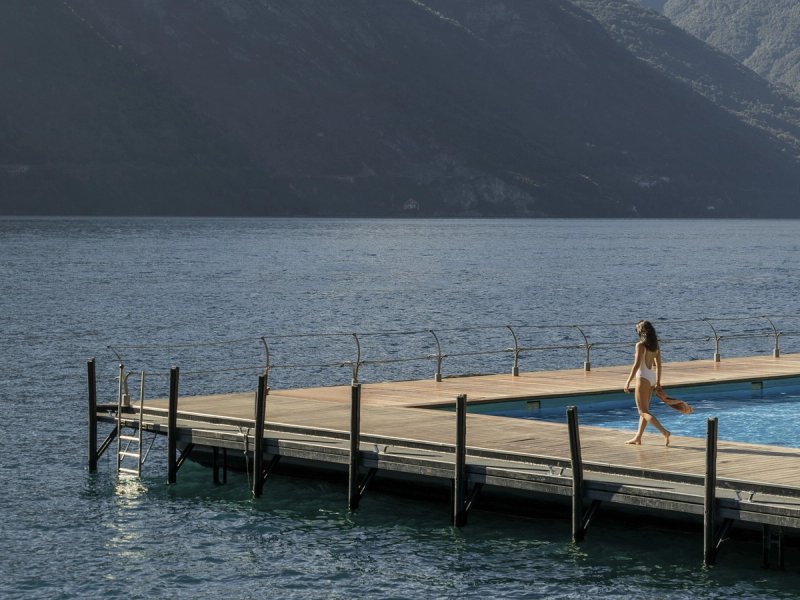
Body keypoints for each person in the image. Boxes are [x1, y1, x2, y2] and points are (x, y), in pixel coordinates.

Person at [624, 320, 670, 446]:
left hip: (643, 377)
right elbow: (659, 365)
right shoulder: (655, 346)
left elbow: (636, 365)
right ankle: (638, 437)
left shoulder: (640, 345)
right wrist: (658, 382)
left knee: (642, 411)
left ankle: (664, 432)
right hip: (651, 378)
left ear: (641, 332)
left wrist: (627, 382)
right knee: (645, 410)